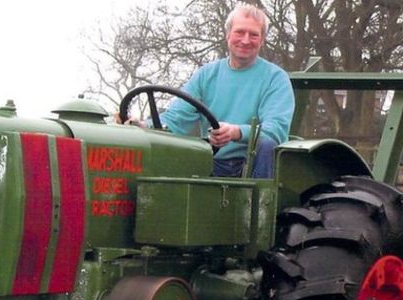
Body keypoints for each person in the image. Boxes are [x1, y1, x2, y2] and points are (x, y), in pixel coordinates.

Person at [124, 5, 295, 178]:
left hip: (251, 166)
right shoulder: (207, 74)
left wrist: (236, 132)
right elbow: (176, 117)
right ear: (228, 34)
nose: (245, 40)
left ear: (262, 39)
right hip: (211, 162)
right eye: (239, 32)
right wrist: (145, 126)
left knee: (267, 145)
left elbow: (275, 130)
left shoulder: (275, 78)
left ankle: (259, 203)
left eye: (253, 34)